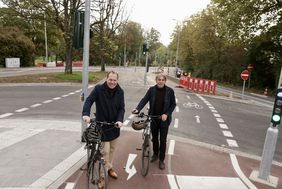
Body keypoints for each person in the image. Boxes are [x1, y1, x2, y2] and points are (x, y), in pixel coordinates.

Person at [82, 71, 125, 187]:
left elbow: (121, 108)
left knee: (112, 150)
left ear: (117, 80)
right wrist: (86, 113)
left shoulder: (120, 92)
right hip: (102, 127)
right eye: (110, 79)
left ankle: (109, 168)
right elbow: (89, 100)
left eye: (114, 80)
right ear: (106, 79)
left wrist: (120, 120)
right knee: (105, 152)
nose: (112, 82)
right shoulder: (98, 89)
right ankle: (102, 175)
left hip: (114, 126)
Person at [132, 73, 176, 170]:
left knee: (163, 140)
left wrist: (167, 114)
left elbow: (173, 104)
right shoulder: (152, 90)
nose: (160, 81)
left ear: (165, 81)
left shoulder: (170, 91)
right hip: (153, 118)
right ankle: (155, 154)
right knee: (155, 138)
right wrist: (138, 109)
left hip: (164, 119)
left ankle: (161, 160)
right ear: (156, 80)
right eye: (159, 79)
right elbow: (144, 99)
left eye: (162, 79)